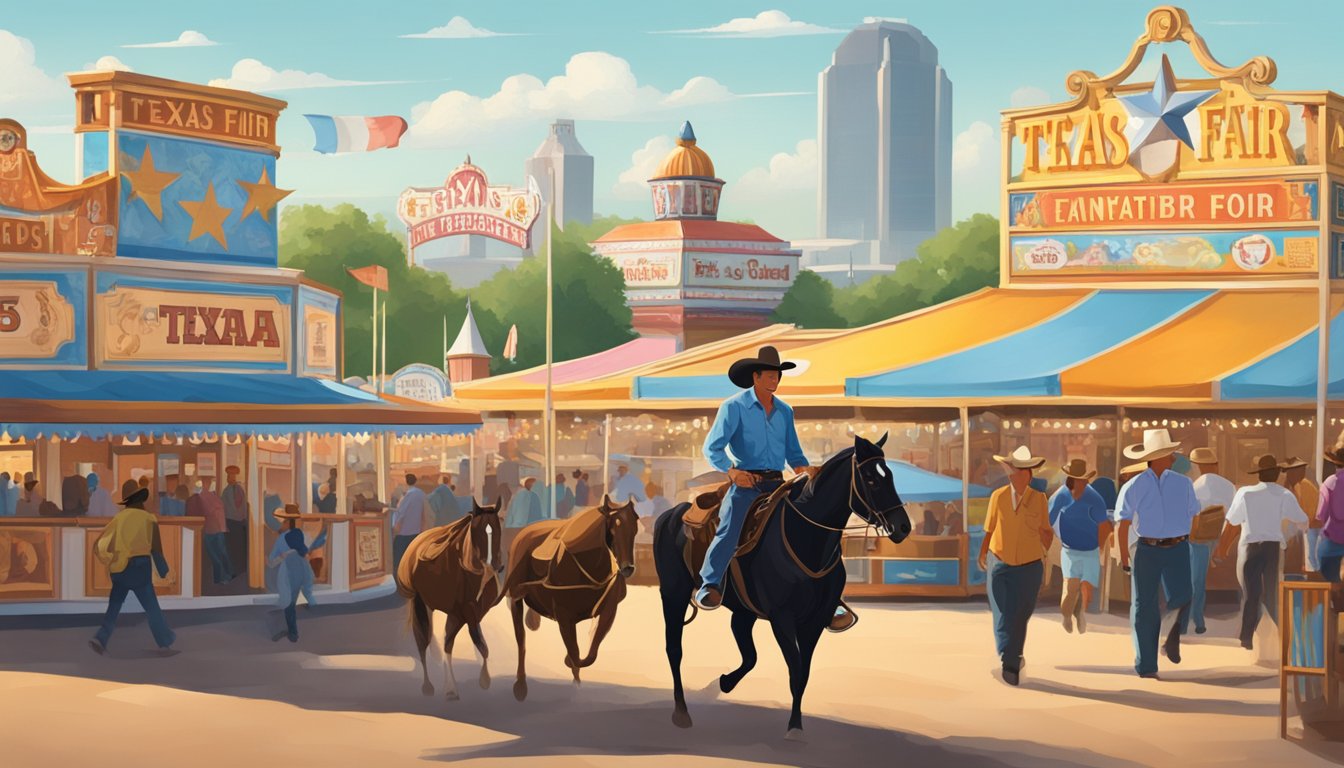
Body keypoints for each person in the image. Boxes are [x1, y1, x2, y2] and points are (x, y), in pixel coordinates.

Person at [695, 345, 851, 632]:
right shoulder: (734, 407)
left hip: (779, 483)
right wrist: (733, 472)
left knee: (815, 527)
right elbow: (712, 447)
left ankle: (832, 597)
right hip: (747, 484)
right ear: (755, 377)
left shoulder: (784, 411)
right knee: (730, 528)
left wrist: (805, 469)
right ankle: (710, 583)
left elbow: (793, 453)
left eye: (777, 375)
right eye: (769, 375)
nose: (774, 380)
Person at [1117, 429, 1199, 679]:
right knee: (1144, 607)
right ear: (1159, 456)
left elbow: (1194, 514)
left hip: (1178, 546)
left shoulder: (1183, 483)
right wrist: (1124, 557)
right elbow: (1122, 523)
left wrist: (1187, 539)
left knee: (1184, 595)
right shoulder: (1135, 485)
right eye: (1169, 453)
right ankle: (1147, 665)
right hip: (1147, 549)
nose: (1173, 457)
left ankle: (1171, 636)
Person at [1214, 454, 1308, 651]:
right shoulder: (1284, 494)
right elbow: (1303, 521)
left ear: (1258, 475)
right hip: (1273, 548)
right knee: (1273, 594)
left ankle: (1247, 638)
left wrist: (1222, 549)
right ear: (1276, 474)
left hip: (1250, 548)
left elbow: (1232, 523)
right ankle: (1277, 638)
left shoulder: (1245, 493)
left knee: (1251, 593)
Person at [977, 446, 1053, 687]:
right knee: (1002, 612)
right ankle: (1008, 656)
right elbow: (989, 528)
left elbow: (1046, 532)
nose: (1015, 475)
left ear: (1029, 474)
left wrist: (1045, 545)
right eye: (1012, 470)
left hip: (1030, 566)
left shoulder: (1039, 499)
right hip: (999, 561)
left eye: (1020, 471)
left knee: (1020, 615)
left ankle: (1011, 659)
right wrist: (982, 553)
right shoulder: (997, 497)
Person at [89, 487, 175, 656]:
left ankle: (101, 638)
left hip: (120, 568)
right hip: (140, 567)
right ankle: (164, 642)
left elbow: (101, 543)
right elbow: (156, 549)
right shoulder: (149, 519)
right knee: (151, 607)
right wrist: (163, 571)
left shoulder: (119, 518)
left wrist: (109, 560)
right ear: (141, 502)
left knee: (114, 606)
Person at [1049, 459, 1111, 634]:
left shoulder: (1095, 498)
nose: (1082, 484)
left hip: (1090, 550)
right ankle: (1067, 615)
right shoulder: (1060, 496)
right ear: (1071, 480)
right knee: (1070, 590)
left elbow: (1104, 525)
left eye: (1084, 480)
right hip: (1070, 550)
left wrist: (1099, 546)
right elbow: (1047, 522)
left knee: (1087, 589)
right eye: (1078, 480)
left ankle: (1080, 612)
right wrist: (1057, 538)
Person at [1183, 447, 1235, 636]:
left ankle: (1193, 618)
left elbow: (1189, 514)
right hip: (1220, 537)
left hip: (1198, 537)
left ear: (1196, 466)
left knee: (1192, 580)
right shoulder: (1229, 486)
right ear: (1215, 465)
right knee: (1198, 579)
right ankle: (1196, 618)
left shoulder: (1195, 486)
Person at [268, 504, 327, 643]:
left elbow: (272, 562)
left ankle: (293, 633)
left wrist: (278, 557)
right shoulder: (301, 534)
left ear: (288, 522)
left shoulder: (282, 539)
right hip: (303, 568)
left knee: (289, 601)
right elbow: (306, 551)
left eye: (283, 522)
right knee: (302, 594)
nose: (281, 525)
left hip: (290, 570)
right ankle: (310, 607)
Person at [1280, 456, 1320, 574]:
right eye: (1300, 470)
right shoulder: (1282, 487)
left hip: (1300, 533)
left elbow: (1311, 514)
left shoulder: (1306, 487)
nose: (1303, 472)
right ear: (1291, 472)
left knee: (1295, 566)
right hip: (1284, 534)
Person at [391, 473, 430, 571]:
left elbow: (401, 513)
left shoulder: (409, 495)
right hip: (416, 531)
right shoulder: (421, 494)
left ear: (405, 482)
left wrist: (395, 526)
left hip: (404, 532)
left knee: (398, 560)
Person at [199, 480, 233, 584]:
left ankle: (224, 576)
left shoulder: (213, 498)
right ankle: (222, 577)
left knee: (220, 554)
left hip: (215, 529)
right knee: (217, 555)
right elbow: (211, 510)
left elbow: (215, 511)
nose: (207, 485)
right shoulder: (209, 498)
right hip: (212, 530)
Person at [222, 466, 249, 574]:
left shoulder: (240, 490)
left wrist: (244, 520)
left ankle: (240, 568)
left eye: (232, 475)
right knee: (231, 546)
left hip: (240, 523)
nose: (230, 477)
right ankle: (233, 569)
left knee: (240, 546)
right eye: (229, 475)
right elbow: (224, 509)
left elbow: (243, 507)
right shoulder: (226, 491)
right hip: (230, 522)